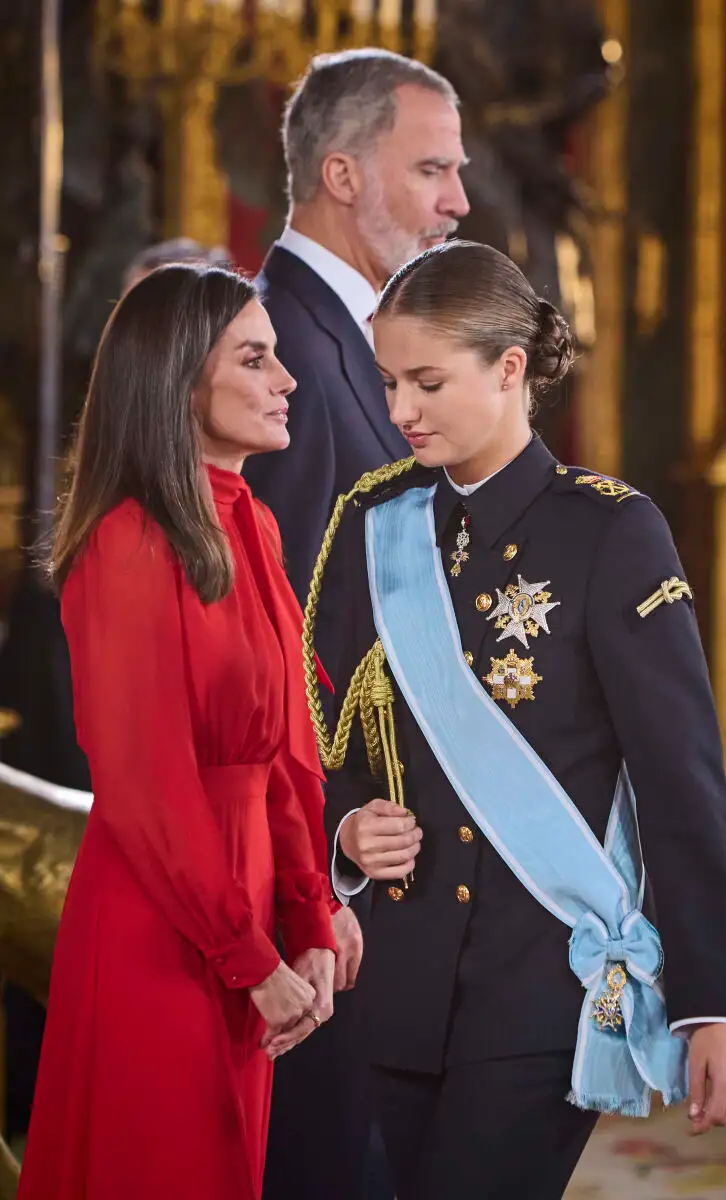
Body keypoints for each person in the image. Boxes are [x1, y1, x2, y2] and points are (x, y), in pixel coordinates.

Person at [307, 240, 726, 1200]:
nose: (398, 412)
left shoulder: (610, 530)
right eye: (388, 382)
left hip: (542, 986)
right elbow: (320, 729)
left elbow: (681, 777)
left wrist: (714, 1006)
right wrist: (345, 827)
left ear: (509, 368)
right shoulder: (371, 521)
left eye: (427, 381)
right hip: (398, 979)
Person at [17, 265, 337, 1200]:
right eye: (256, 358)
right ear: (177, 383)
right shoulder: (126, 542)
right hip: (159, 926)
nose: (286, 380)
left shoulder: (255, 526)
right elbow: (146, 787)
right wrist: (246, 953)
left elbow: (284, 755)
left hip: (244, 921)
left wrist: (309, 920)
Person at [242, 48, 469, 1200]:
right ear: (339, 172)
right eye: (429, 169)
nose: (457, 202)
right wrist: (320, 865)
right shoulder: (277, 351)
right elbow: (271, 647)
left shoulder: (361, 348)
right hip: (329, 887)